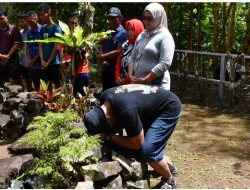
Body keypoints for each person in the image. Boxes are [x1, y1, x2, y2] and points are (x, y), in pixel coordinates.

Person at [83, 84, 182, 189]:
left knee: (147, 151)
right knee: (145, 149)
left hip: (168, 107)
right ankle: (168, 166)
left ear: (108, 118)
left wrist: (108, 136)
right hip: (151, 106)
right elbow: (118, 122)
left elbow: (137, 144)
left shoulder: (126, 110)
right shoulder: (106, 97)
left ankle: (169, 180)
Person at [128, 3, 175, 90]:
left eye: (149, 19)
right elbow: (132, 57)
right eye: (144, 18)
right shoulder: (142, 35)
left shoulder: (165, 36)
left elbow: (165, 62)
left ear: (158, 18)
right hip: (138, 82)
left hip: (156, 85)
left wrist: (146, 79)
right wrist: (130, 75)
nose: (146, 21)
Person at [59, 12, 90, 97]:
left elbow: (88, 52)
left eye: (75, 23)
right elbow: (61, 51)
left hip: (82, 70)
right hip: (68, 70)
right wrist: (63, 61)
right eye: (71, 23)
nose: (73, 25)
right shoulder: (65, 36)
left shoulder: (84, 35)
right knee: (69, 95)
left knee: (81, 96)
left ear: (79, 23)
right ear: (68, 23)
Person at [97, 7, 127, 91]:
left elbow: (119, 51)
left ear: (120, 18)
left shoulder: (123, 33)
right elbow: (101, 46)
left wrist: (103, 56)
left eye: (113, 18)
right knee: (105, 92)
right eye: (109, 18)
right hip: (105, 68)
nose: (110, 21)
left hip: (116, 71)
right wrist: (102, 59)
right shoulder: (107, 32)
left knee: (115, 94)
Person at [38, 3, 62, 92]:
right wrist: (42, 60)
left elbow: (56, 47)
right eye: (39, 15)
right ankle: (48, 104)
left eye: (42, 15)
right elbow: (40, 44)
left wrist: (48, 62)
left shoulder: (56, 28)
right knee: (46, 86)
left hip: (54, 63)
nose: (40, 17)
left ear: (49, 13)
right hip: (44, 63)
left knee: (57, 85)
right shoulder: (43, 28)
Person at [115, 19, 144, 85]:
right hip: (121, 82)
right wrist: (117, 76)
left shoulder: (143, 47)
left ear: (138, 29)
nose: (129, 32)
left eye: (132, 29)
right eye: (128, 30)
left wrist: (125, 81)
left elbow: (139, 69)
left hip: (135, 84)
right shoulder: (126, 44)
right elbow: (119, 61)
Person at [0, 7, 22, 87]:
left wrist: (7, 57)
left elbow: (17, 45)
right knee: (2, 80)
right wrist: (1, 56)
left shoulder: (14, 29)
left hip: (12, 60)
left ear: (6, 17)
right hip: (0, 59)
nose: (0, 21)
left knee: (15, 81)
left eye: (2, 18)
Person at [26, 11, 43, 91]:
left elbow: (42, 48)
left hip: (42, 63)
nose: (29, 24)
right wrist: (30, 61)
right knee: (35, 84)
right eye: (28, 22)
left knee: (44, 85)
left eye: (31, 22)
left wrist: (33, 61)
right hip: (32, 64)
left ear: (37, 20)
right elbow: (27, 47)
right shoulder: (29, 32)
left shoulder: (43, 30)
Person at [17, 11, 33, 91]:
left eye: (22, 21)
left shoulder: (32, 31)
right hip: (23, 60)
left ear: (27, 21)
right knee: (26, 80)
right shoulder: (20, 32)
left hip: (32, 60)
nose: (20, 24)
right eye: (19, 22)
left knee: (33, 81)